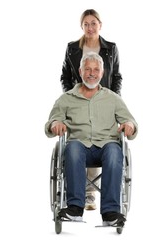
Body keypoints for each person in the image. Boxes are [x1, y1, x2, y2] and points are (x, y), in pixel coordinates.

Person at [45, 52, 138, 227]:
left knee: (113, 150)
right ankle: (74, 208)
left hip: (106, 147)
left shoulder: (113, 98)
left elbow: (130, 121)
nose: (92, 73)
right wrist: (55, 123)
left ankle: (110, 213)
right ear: (80, 71)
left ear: (102, 73)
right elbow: (51, 122)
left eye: (96, 70)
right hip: (78, 148)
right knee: (72, 148)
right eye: (87, 69)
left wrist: (129, 125)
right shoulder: (66, 99)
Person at [60, 9, 123, 210]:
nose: (90, 27)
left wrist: (112, 101)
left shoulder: (110, 48)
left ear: (100, 25)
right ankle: (82, 198)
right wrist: (72, 97)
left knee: (102, 137)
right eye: (86, 23)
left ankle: (103, 204)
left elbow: (116, 77)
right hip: (79, 100)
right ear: (81, 26)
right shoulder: (72, 48)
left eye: (93, 23)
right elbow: (65, 76)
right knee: (82, 137)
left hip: (104, 100)